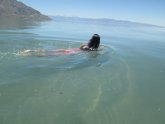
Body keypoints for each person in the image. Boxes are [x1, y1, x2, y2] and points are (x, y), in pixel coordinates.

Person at [19, 34, 101, 56]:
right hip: (72, 53)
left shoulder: (85, 45)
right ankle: (31, 55)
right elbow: (90, 51)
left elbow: (81, 47)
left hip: (70, 50)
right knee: (51, 55)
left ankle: (31, 51)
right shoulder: (93, 49)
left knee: (50, 51)